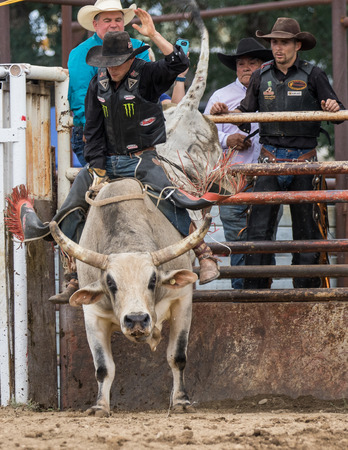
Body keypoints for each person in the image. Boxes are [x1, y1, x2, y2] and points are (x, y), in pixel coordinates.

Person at [14, 8, 219, 303]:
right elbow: (93, 131)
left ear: (130, 58)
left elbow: (178, 62)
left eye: (117, 62)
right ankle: (74, 274)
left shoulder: (148, 74)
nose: (111, 68)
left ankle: (204, 254)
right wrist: (96, 168)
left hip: (143, 159)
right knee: (73, 204)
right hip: (108, 161)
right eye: (107, 63)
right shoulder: (99, 83)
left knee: (172, 197)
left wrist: (154, 35)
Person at [233, 17, 345, 289]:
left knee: (307, 229)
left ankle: (307, 293)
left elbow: (338, 112)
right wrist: (227, 115)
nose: (277, 48)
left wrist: (330, 106)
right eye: (274, 42)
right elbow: (245, 116)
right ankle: (255, 292)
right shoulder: (261, 75)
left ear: (297, 45)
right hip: (269, 159)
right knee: (258, 230)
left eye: (283, 42)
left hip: (303, 161)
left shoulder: (313, 74)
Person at [204, 38, 272, 289]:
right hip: (231, 176)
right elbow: (202, 134)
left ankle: (262, 291)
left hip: (266, 173)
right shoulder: (221, 96)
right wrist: (226, 139)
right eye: (241, 63)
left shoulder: (272, 92)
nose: (245, 68)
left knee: (266, 234)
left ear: (262, 66)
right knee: (236, 235)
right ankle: (242, 291)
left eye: (252, 63)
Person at [68, 0, 150, 167]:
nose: (114, 25)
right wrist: (90, 128)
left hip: (134, 129)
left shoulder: (139, 46)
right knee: (109, 183)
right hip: (96, 130)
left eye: (118, 20)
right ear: (95, 24)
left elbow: (146, 87)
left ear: (124, 23)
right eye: (107, 20)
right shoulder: (81, 53)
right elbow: (80, 95)